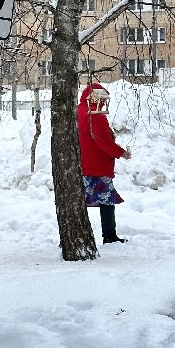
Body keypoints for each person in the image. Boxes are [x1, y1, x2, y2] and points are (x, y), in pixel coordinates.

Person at [77, 82, 131, 244]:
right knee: (107, 202)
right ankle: (109, 235)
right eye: (103, 98)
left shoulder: (78, 111)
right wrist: (122, 153)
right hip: (97, 167)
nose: (104, 102)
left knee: (79, 202)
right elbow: (103, 142)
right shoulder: (96, 116)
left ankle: (73, 235)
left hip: (81, 165)